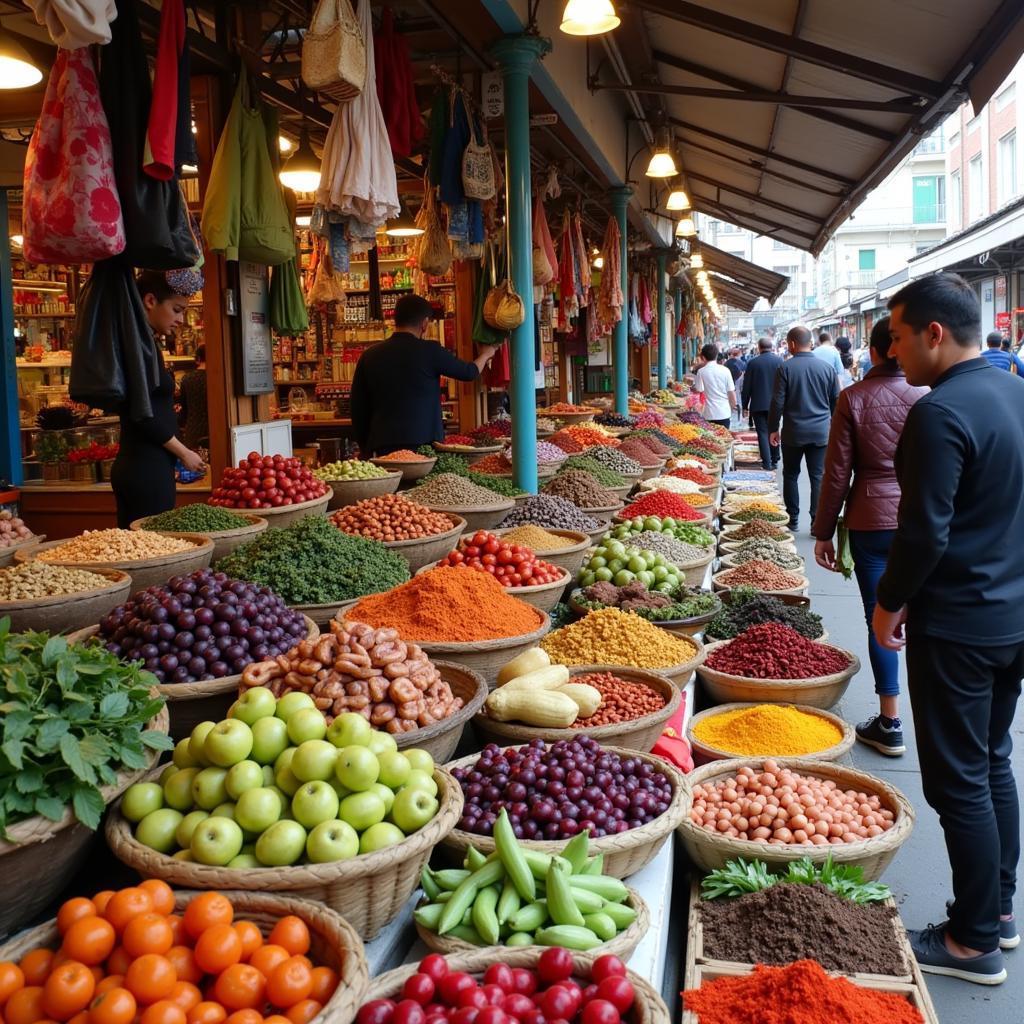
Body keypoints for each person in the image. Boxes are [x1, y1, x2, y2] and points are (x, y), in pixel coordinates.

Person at [874, 272, 1024, 986]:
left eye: (899, 337)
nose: (893, 351)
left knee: (959, 780)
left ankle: (971, 942)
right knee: (992, 759)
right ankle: (998, 912)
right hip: (1012, 614)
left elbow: (923, 531)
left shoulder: (937, 413)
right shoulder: (1016, 394)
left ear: (935, 333)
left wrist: (889, 601)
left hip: (961, 623)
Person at [812, 317, 927, 755]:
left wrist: (824, 532)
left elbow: (836, 473)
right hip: (921, 518)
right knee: (923, 616)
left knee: (880, 617)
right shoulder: (927, 395)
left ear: (875, 350)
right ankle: (929, 719)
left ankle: (891, 720)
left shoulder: (853, 398)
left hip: (871, 520)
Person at [111, 270, 206, 529]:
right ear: (151, 301)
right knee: (149, 550)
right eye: (176, 310)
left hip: (148, 465)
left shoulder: (145, 343)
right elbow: (142, 415)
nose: (181, 319)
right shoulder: (137, 347)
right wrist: (183, 452)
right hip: (144, 468)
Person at [351, 294, 499, 456]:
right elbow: (468, 372)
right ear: (425, 324)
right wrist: (485, 355)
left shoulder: (370, 355)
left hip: (383, 444)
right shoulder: (431, 351)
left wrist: (365, 447)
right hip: (424, 444)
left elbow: (358, 407)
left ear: (395, 320)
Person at [768, 326, 839, 530]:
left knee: (791, 474)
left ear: (791, 344)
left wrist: (773, 428)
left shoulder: (785, 368)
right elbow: (836, 401)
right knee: (818, 476)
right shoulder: (827, 369)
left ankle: (793, 519)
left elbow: (777, 402)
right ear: (811, 342)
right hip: (820, 432)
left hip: (793, 432)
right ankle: (817, 521)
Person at [741, 337, 784, 470]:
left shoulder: (753, 363)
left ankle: (767, 462)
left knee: (762, 433)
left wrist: (744, 405)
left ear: (759, 348)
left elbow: (746, 386)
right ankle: (775, 459)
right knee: (774, 430)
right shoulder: (780, 361)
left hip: (758, 404)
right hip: (776, 405)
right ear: (771, 347)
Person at [693, 343, 735, 427]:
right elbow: (731, 392)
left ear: (703, 358)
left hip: (709, 413)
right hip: (724, 412)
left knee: (711, 438)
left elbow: (699, 390)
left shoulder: (701, 372)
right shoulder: (725, 370)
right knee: (724, 437)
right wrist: (733, 406)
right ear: (716, 356)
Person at [178, 344, 208, 451]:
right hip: (215, 433)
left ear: (198, 359)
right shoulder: (218, 377)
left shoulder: (187, 378)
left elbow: (184, 408)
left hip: (193, 433)